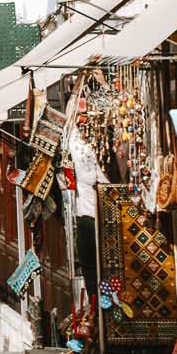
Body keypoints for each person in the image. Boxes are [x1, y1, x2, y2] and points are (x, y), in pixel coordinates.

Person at [68, 97, 107, 300]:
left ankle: (100, 307)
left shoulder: (94, 140)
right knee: (91, 265)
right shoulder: (74, 139)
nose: (83, 121)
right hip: (86, 212)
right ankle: (95, 308)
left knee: (101, 266)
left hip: (100, 211)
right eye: (81, 116)